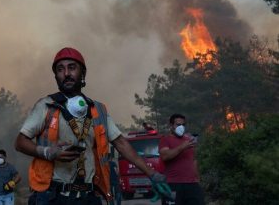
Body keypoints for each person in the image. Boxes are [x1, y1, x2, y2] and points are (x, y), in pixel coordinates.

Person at [15, 47, 172, 205]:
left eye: (72, 67)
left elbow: (121, 143)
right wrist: (47, 152)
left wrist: (153, 174)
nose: (66, 73)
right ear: (56, 76)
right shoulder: (46, 106)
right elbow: (20, 142)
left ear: (82, 73)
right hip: (52, 197)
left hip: (88, 197)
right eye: (60, 69)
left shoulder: (98, 110)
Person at [159, 114, 205, 205]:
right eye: (178, 125)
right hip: (173, 185)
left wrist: (197, 179)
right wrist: (182, 147)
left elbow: (193, 160)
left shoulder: (189, 140)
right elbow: (165, 156)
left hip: (192, 185)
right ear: (171, 126)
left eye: (183, 125)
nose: (181, 127)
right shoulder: (165, 140)